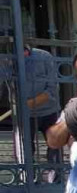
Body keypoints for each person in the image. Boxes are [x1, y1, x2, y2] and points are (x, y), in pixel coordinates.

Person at [19, 45, 62, 182]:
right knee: (26, 149)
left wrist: (32, 102)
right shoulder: (7, 59)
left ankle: (55, 183)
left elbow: (52, 88)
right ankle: (29, 184)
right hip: (25, 115)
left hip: (50, 111)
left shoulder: (44, 57)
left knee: (54, 147)